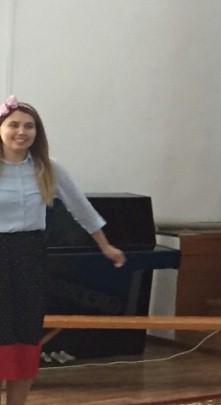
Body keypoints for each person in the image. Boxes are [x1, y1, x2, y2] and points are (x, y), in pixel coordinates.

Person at [0, 95, 126, 405]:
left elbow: (82, 210)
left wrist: (105, 245)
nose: (21, 132)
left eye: (29, 126)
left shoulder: (48, 168)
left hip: (28, 257)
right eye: (13, 125)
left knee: (26, 335)